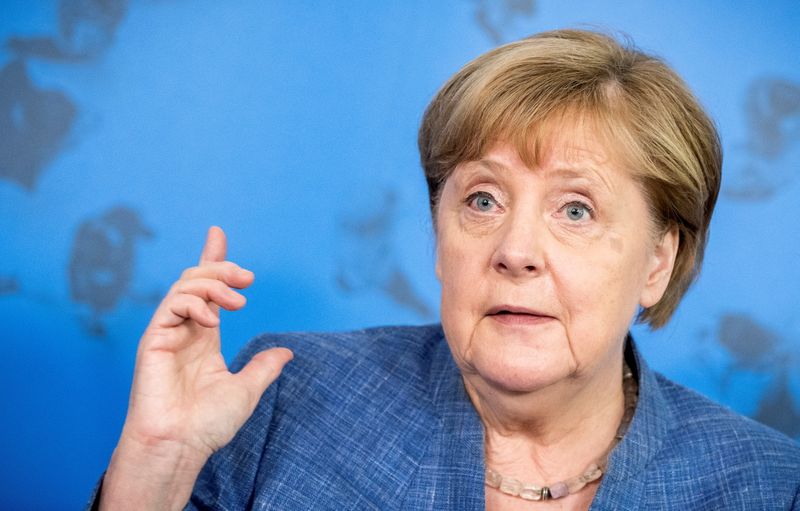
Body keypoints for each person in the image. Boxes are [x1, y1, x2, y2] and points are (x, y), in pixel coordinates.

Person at [91, 29, 800, 510]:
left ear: (658, 260)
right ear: (439, 238)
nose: (514, 249)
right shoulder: (283, 396)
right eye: (483, 199)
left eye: (576, 210)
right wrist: (158, 461)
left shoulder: (767, 484)